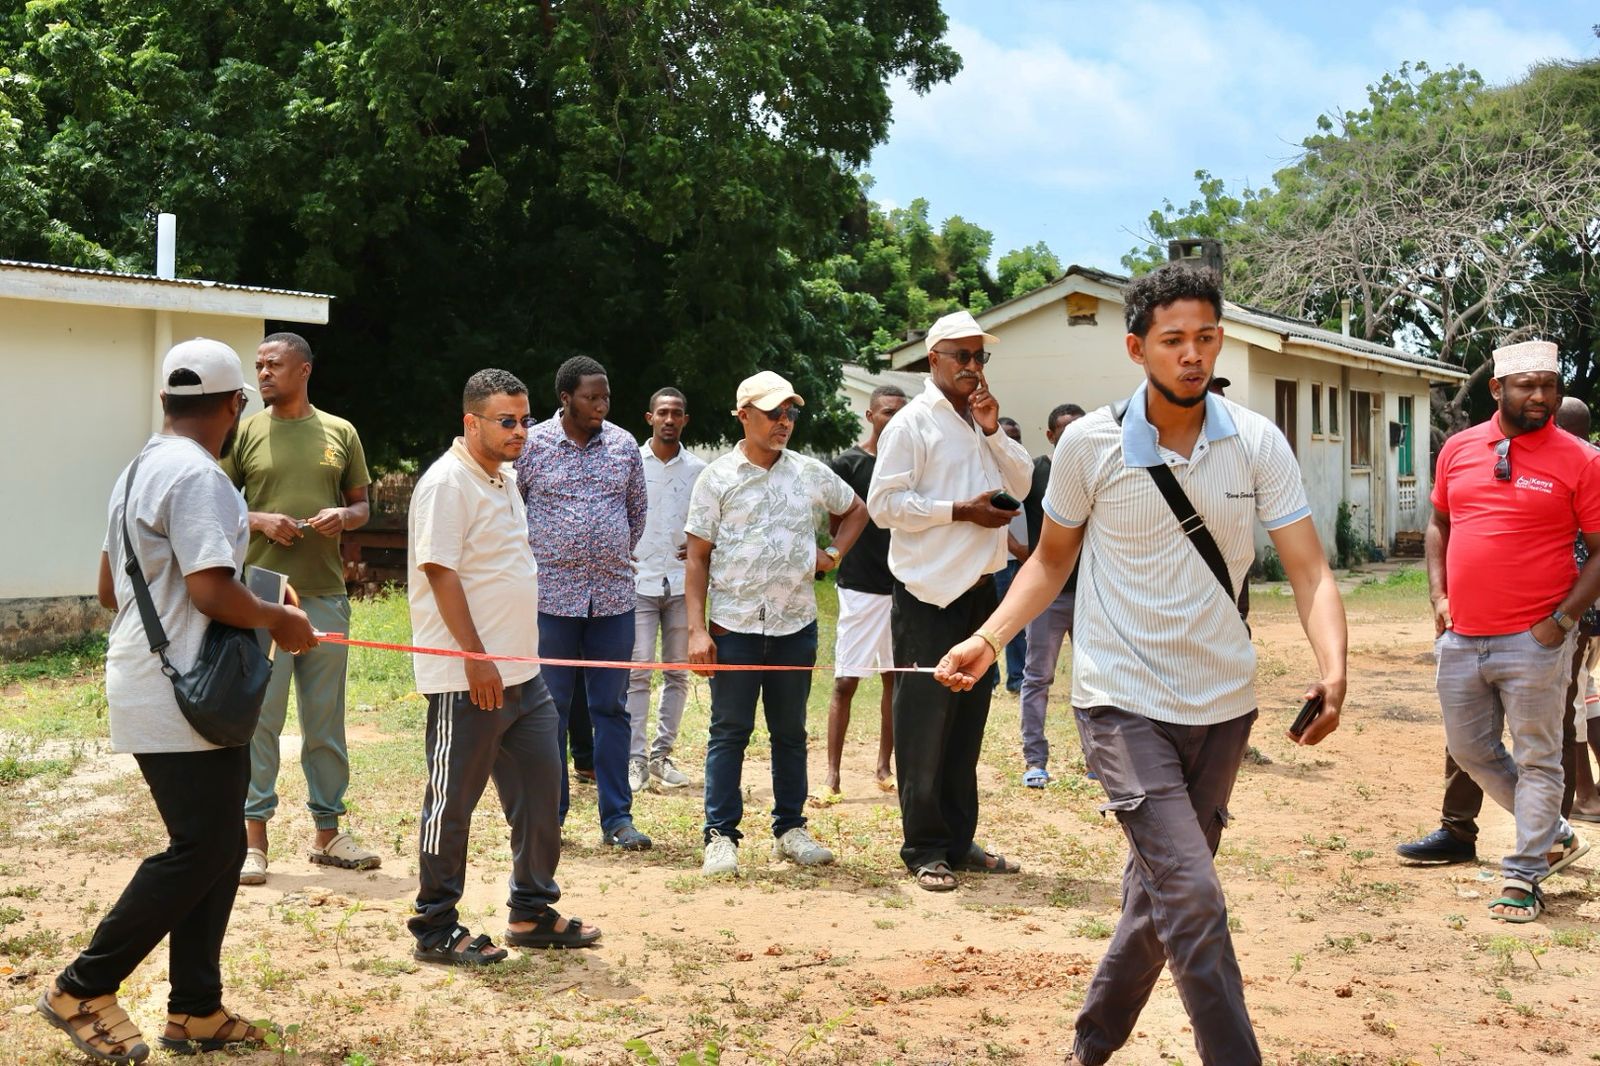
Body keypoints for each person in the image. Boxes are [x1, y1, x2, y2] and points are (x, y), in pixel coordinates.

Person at [934, 264, 1347, 1066]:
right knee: (1191, 894)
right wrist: (987, 640)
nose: (1192, 355)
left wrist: (1335, 668)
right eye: (1173, 341)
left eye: (1205, 338)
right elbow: (1049, 565)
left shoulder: (1257, 441)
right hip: (1122, 702)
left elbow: (1310, 571)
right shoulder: (1090, 445)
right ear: (1136, 348)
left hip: (1224, 705)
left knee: (1159, 902)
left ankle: (1087, 1051)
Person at [39, 339, 317, 1063]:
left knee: (219, 847)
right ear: (234, 406)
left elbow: (112, 590)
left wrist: (252, 589)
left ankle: (195, 1010)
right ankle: (82, 987)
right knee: (200, 848)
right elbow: (206, 590)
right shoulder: (201, 478)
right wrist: (281, 620)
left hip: (150, 677)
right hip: (185, 689)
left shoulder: (136, 471)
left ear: (166, 402)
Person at [406, 368, 600, 966]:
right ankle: (436, 925)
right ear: (472, 423)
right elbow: (440, 571)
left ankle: (531, 910)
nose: (521, 431)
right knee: (452, 802)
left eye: (525, 420)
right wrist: (475, 658)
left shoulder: (503, 478)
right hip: (470, 680)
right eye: (507, 422)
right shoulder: (447, 484)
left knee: (544, 793)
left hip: (524, 675)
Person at [1428, 341, 1600, 922]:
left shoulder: (1580, 458)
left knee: (1539, 758)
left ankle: (1524, 874)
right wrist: (1438, 596)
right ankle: (1553, 831)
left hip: (1536, 639)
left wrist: (1562, 621)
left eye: (1550, 384)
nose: (1542, 396)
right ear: (1497, 389)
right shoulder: (1457, 449)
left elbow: (1599, 552)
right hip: (1462, 635)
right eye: (1528, 385)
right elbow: (1438, 523)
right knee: (1470, 750)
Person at [867, 309, 1033, 892]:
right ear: (932, 359)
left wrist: (992, 430)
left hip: (980, 594)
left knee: (968, 724)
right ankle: (925, 848)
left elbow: (1022, 485)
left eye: (979, 357)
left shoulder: (977, 422)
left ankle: (959, 842)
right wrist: (962, 511)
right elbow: (884, 505)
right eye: (961, 356)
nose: (972, 366)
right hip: (928, 595)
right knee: (924, 727)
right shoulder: (912, 424)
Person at [685, 371, 868, 877]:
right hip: (734, 625)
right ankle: (720, 835)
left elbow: (857, 510)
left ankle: (790, 828)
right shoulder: (715, 478)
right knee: (730, 730)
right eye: (773, 413)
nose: (783, 422)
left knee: (789, 732)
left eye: (790, 413)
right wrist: (697, 631)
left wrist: (832, 553)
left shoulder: (810, 473)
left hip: (794, 626)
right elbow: (696, 558)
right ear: (744, 416)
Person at [222, 332, 379, 886]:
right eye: (259, 365)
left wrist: (345, 515)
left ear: (304, 370)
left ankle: (328, 833)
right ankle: (253, 840)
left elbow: (363, 505)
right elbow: (217, 507)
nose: (263, 373)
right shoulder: (243, 432)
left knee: (324, 718)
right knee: (261, 717)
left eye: (274, 364)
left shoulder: (341, 432)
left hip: (325, 593)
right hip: (262, 593)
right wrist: (261, 520)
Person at [515, 356, 651, 850]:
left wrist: (604, 550)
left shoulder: (623, 445)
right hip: (551, 598)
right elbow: (516, 507)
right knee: (550, 708)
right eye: (592, 397)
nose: (601, 406)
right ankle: (550, 814)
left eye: (606, 397)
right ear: (566, 398)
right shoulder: (533, 445)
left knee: (611, 709)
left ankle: (618, 818)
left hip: (613, 598)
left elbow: (637, 511)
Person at [825, 384, 908, 795]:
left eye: (900, 413)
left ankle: (883, 767)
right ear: (871, 416)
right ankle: (832, 775)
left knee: (895, 679)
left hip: (903, 586)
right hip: (859, 586)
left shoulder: (911, 465)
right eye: (887, 412)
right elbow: (836, 526)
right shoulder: (849, 463)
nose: (893, 419)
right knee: (846, 680)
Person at [626, 387, 706, 792]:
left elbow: (711, 523)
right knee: (638, 670)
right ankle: (635, 758)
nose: (670, 419)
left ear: (685, 420)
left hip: (681, 583)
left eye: (677, 412)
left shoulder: (698, 470)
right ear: (650, 418)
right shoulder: (630, 462)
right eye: (663, 413)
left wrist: (700, 544)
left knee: (677, 672)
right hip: (638, 580)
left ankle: (661, 756)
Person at [1017, 402, 1085, 788]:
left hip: (1091, 593)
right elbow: (1003, 507)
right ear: (1050, 436)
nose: (1075, 435)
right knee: (1038, 677)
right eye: (1066, 430)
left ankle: (1097, 758)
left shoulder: (1095, 470)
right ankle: (1034, 759)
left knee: (1096, 678)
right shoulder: (1035, 473)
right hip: (1047, 596)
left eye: (1082, 427)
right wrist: (1021, 554)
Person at [993, 417, 1030, 694]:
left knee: (1018, 620)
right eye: (1007, 437)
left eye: (1016, 437)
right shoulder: (989, 472)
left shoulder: (1021, 470)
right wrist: (1017, 548)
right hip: (1001, 560)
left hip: (1026, 558)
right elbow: (994, 521)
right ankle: (989, 678)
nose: (1013, 442)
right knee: (994, 620)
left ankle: (1017, 678)